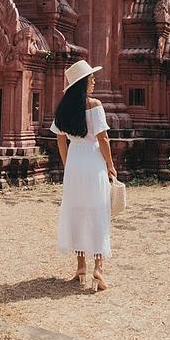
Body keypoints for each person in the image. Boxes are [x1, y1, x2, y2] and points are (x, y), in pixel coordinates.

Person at [50, 59, 117, 291]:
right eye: (91, 78)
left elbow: (59, 138)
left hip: (75, 163)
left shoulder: (63, 108)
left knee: (76, 211)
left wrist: (68, 163)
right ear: (82, 83)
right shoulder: (95, 105)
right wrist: (110, 164)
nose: (94, 81)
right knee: (98, 211)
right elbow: (103, 139)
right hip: (93, 162)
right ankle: (98, 268)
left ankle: (80, 266)